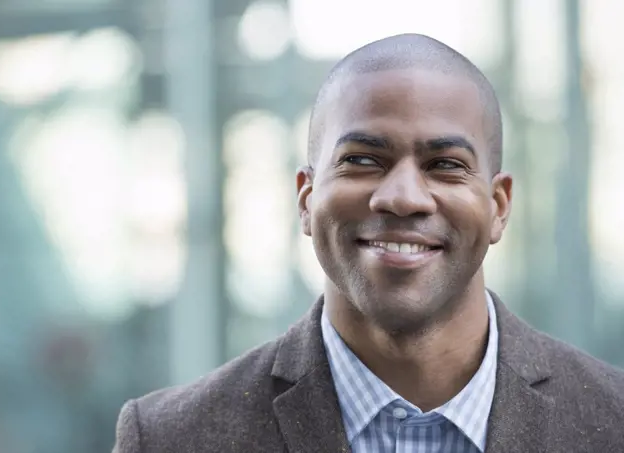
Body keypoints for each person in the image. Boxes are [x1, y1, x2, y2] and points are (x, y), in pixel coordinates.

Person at [113, 34, 624, 453]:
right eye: (362, 160)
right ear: (306, 200)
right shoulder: (168, 439)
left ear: (499, 206)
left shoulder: (612, 420)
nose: (402, 198)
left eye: (445, 165)